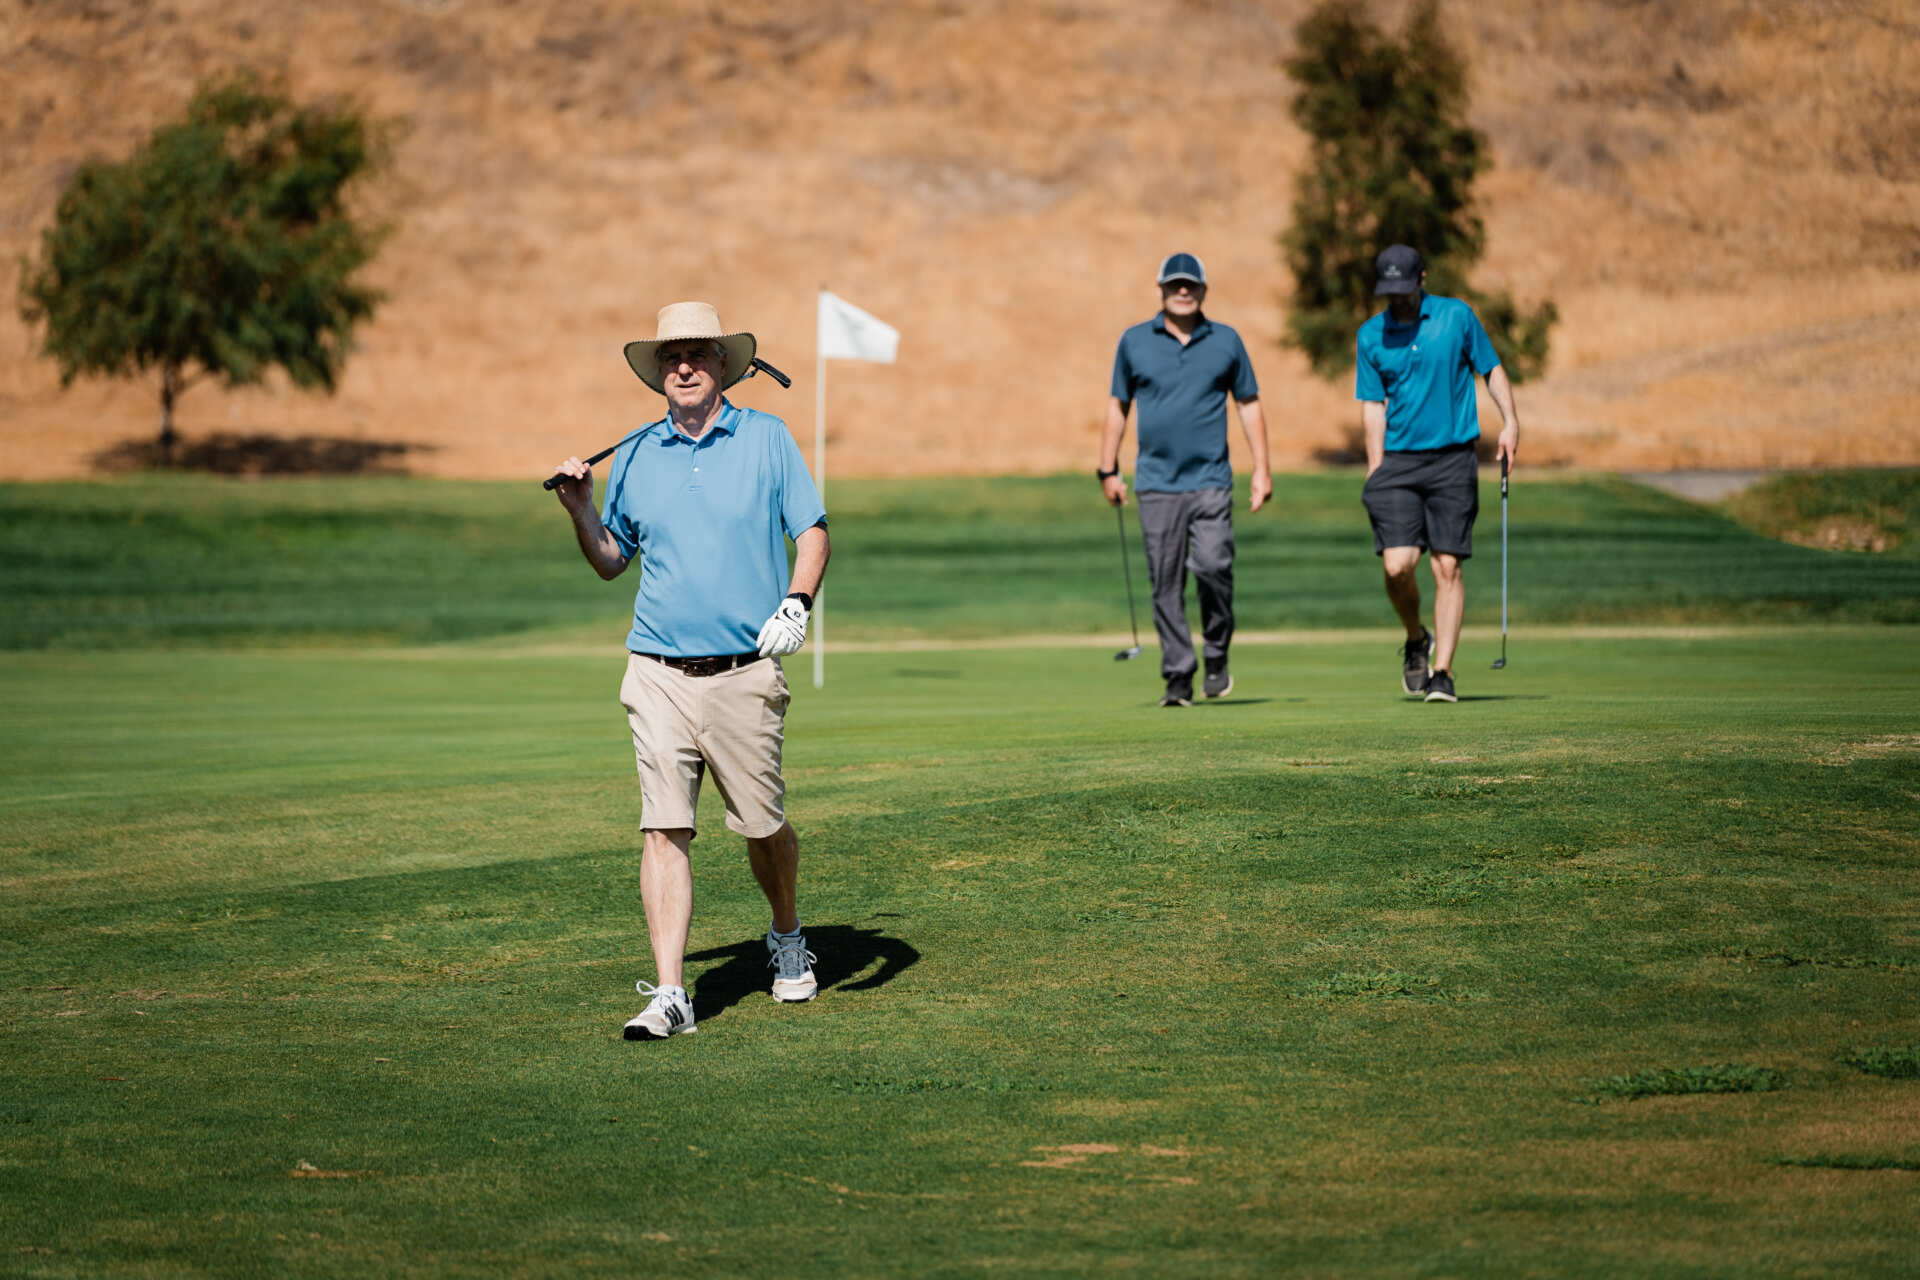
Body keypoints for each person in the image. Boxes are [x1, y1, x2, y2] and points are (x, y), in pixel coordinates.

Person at [549, 301, 830, 1041]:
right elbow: (612, 560)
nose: (683, 367)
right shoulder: (637, 453)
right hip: (657, 671)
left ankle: (786, 931)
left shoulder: (767, 439)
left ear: (723, 365)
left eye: (698, 354)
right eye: (672, 357)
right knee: (663, 829)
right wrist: (581, 510)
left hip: (745, 671)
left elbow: (812, 532)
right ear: (657, 372)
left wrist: (797, 603)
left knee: (763, 826)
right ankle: (672, 994)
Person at [1098, 252, 1272, 707]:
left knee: (1214, 566)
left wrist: (1262, 468)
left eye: (1190, 284)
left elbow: (1248, 404)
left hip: (1210, 478)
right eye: (1174, 284)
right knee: (1165, 582)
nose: (1182, 291)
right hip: (1156, 483)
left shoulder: (1226, 341)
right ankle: (1178, 676)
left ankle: (1216, 652)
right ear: (1160, 289)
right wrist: (1108, 468)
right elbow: (1118, 406)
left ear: (1203, 290)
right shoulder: (1134, 341)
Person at [1355, 244, 1519, 703]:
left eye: (1405, 288)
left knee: (1447, 564)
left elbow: (1491, 369)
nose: (1398, 297)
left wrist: (1510, 421)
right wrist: (1375, 468)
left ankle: (1443, 671)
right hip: (1398, 461)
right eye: (1390, 290)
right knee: (1397, 565)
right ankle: (1416, 638)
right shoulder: (1370, 335)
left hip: (1452, 458)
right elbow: (1372, 406)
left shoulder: (1456, 317)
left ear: (1422, 278)